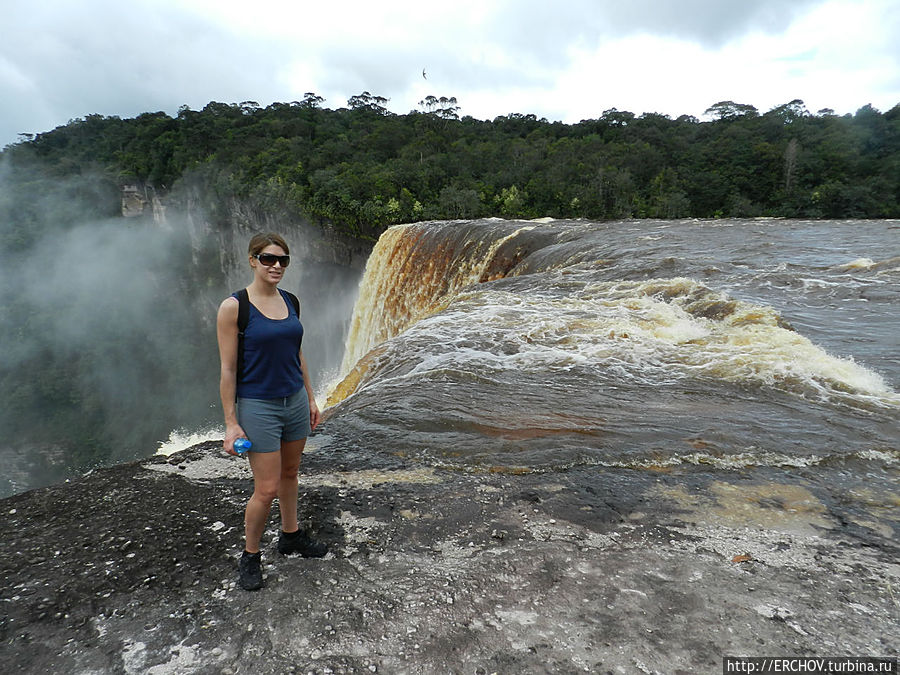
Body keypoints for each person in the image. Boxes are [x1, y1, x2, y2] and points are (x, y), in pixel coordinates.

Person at [216, 232, 326, 591]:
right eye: (267, 259)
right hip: (258, 406)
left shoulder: (291, 301)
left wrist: (310, 399)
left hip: (293, 401)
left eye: (282, 260)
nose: (276, 265)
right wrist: (232, 423)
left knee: (291, 473)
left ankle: (290, 535)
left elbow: (298, 354)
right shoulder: (235, 307)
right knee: (265, 489)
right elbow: (228, 369)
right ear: (252, 260)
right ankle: (250, 555)